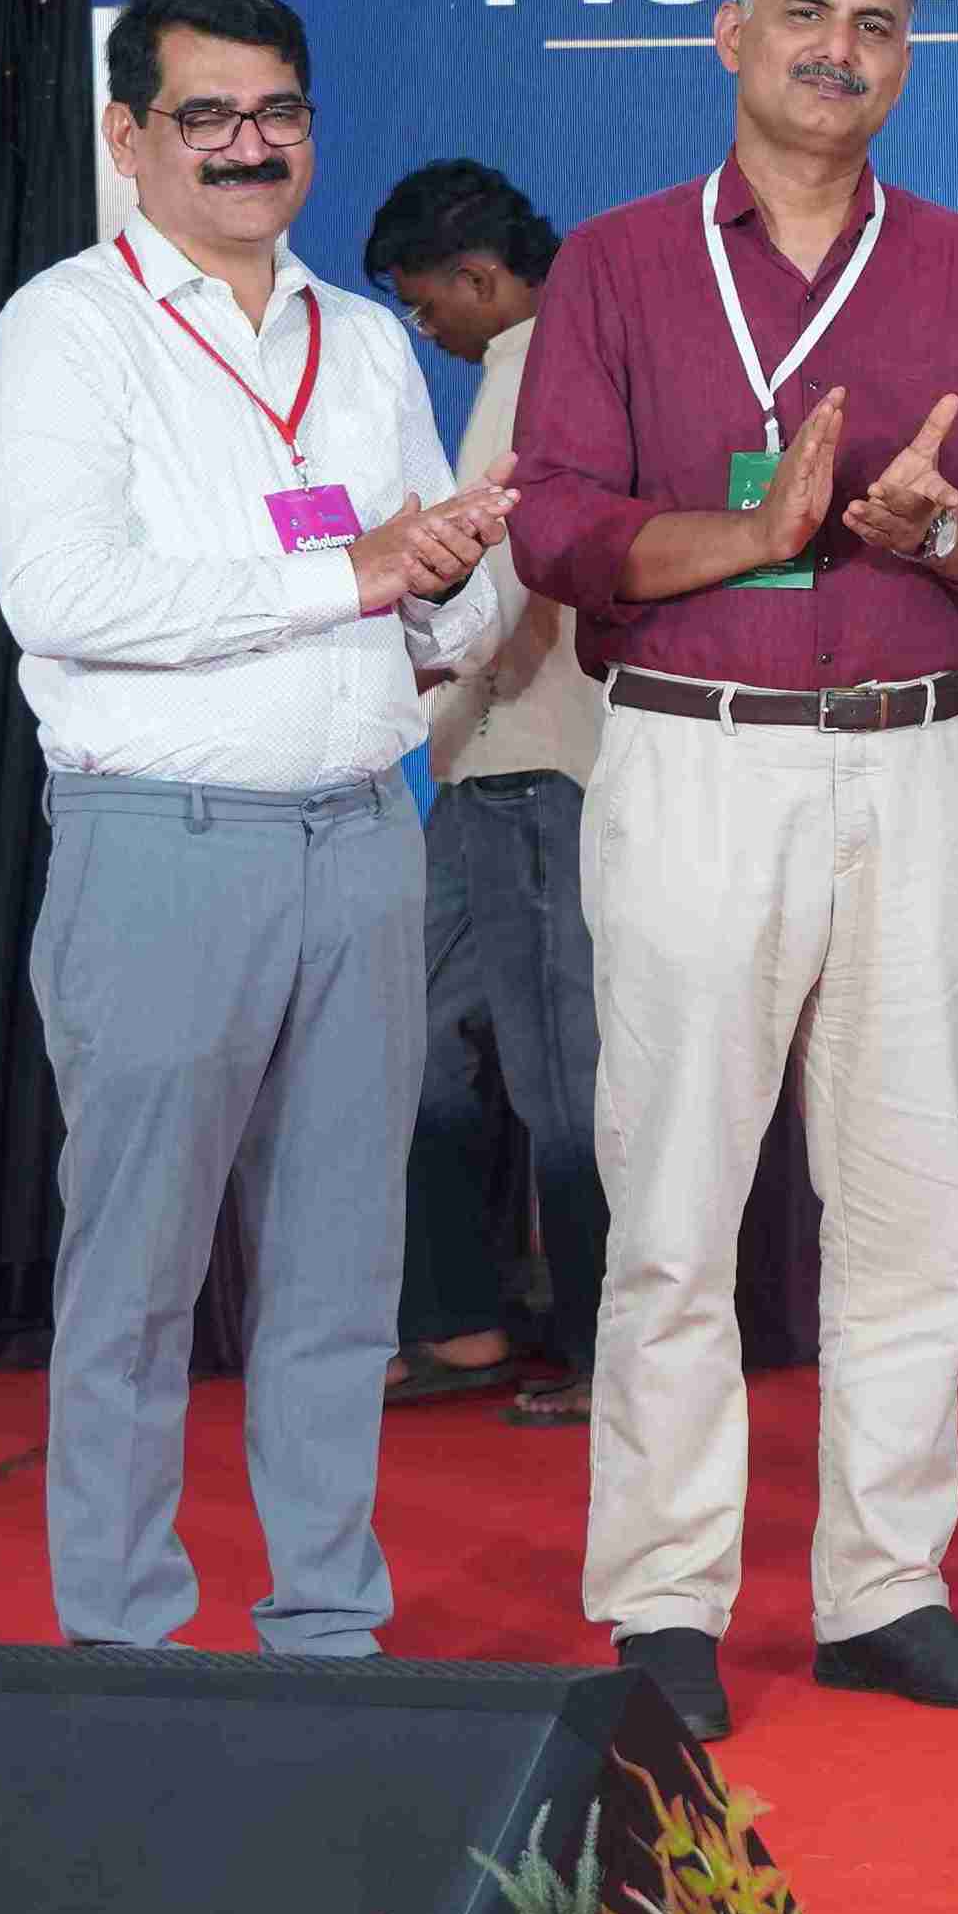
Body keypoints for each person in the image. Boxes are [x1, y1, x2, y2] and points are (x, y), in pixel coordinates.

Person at [507, 0, 958, 1741]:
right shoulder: (616, 263)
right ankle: (665, 1596)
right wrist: (750, 534)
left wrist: (940, 526)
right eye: (809, 14)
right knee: (675, 1201)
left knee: (912, 1199)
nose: (842, 50)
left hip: (914, 757)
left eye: (879, 24)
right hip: (701, 752)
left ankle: (883, 1588)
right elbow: (555, 522)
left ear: (909, 59)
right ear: (732, 34)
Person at [0, 0, 515, 1656]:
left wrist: (438, 583)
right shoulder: (66, 330)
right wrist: (346, 571)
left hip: (362, 836)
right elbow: (67, 595)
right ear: (128, 136)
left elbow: (447, 613)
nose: (249, 145)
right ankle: (122, 1638)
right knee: (136, 1275)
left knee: (340, 1274)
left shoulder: (362, 338)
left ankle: (328, 1624)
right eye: (207, 116)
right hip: (162, 844)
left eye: (278, 113)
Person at [368, 160, 610, 1431]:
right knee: (419, 1050)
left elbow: (492, 591)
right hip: (473, 767)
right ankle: (462, 1317)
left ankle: (608, 1349)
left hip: (541, 769)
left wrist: (367, 682)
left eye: (424, 306)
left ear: (476, 277)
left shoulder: (548, 366)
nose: (426, 331)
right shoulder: (519, 364)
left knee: (563, 1077)